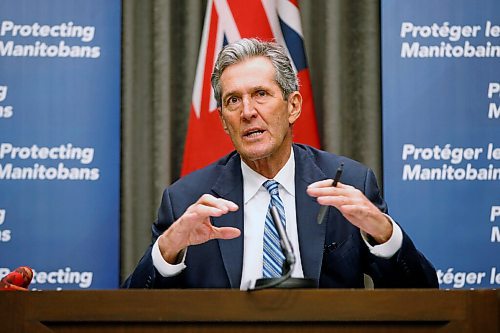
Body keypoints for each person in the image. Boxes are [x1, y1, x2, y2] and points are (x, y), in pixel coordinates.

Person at [122, 38, 438, 290]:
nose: (247, 111)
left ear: (293, 106)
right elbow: (132, 312)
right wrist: (168, 252)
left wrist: (383, 233)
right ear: (223, 121)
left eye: (261, 94)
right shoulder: (186, 200)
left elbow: (422, 293)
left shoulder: (349, 183)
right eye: (233, 100)